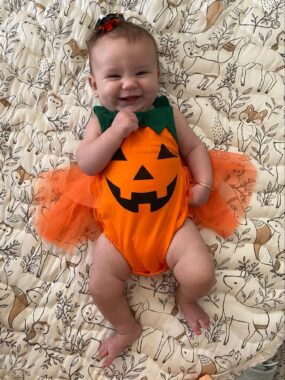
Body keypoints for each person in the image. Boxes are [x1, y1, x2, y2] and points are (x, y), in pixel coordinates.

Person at [34, 14, 256, 367]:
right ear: (94, 84)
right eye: (114, 76)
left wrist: (204, 183)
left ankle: (185, 299)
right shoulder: (102, 120)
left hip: (172, 227)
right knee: (100, 286)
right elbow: (88, 163)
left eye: (140, 72)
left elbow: (195, 150)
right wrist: (114, 133)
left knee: (201, 275)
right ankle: (125, 327)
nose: (128, 84)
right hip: (118, 236)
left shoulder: (167, 114)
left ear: (157, 74)